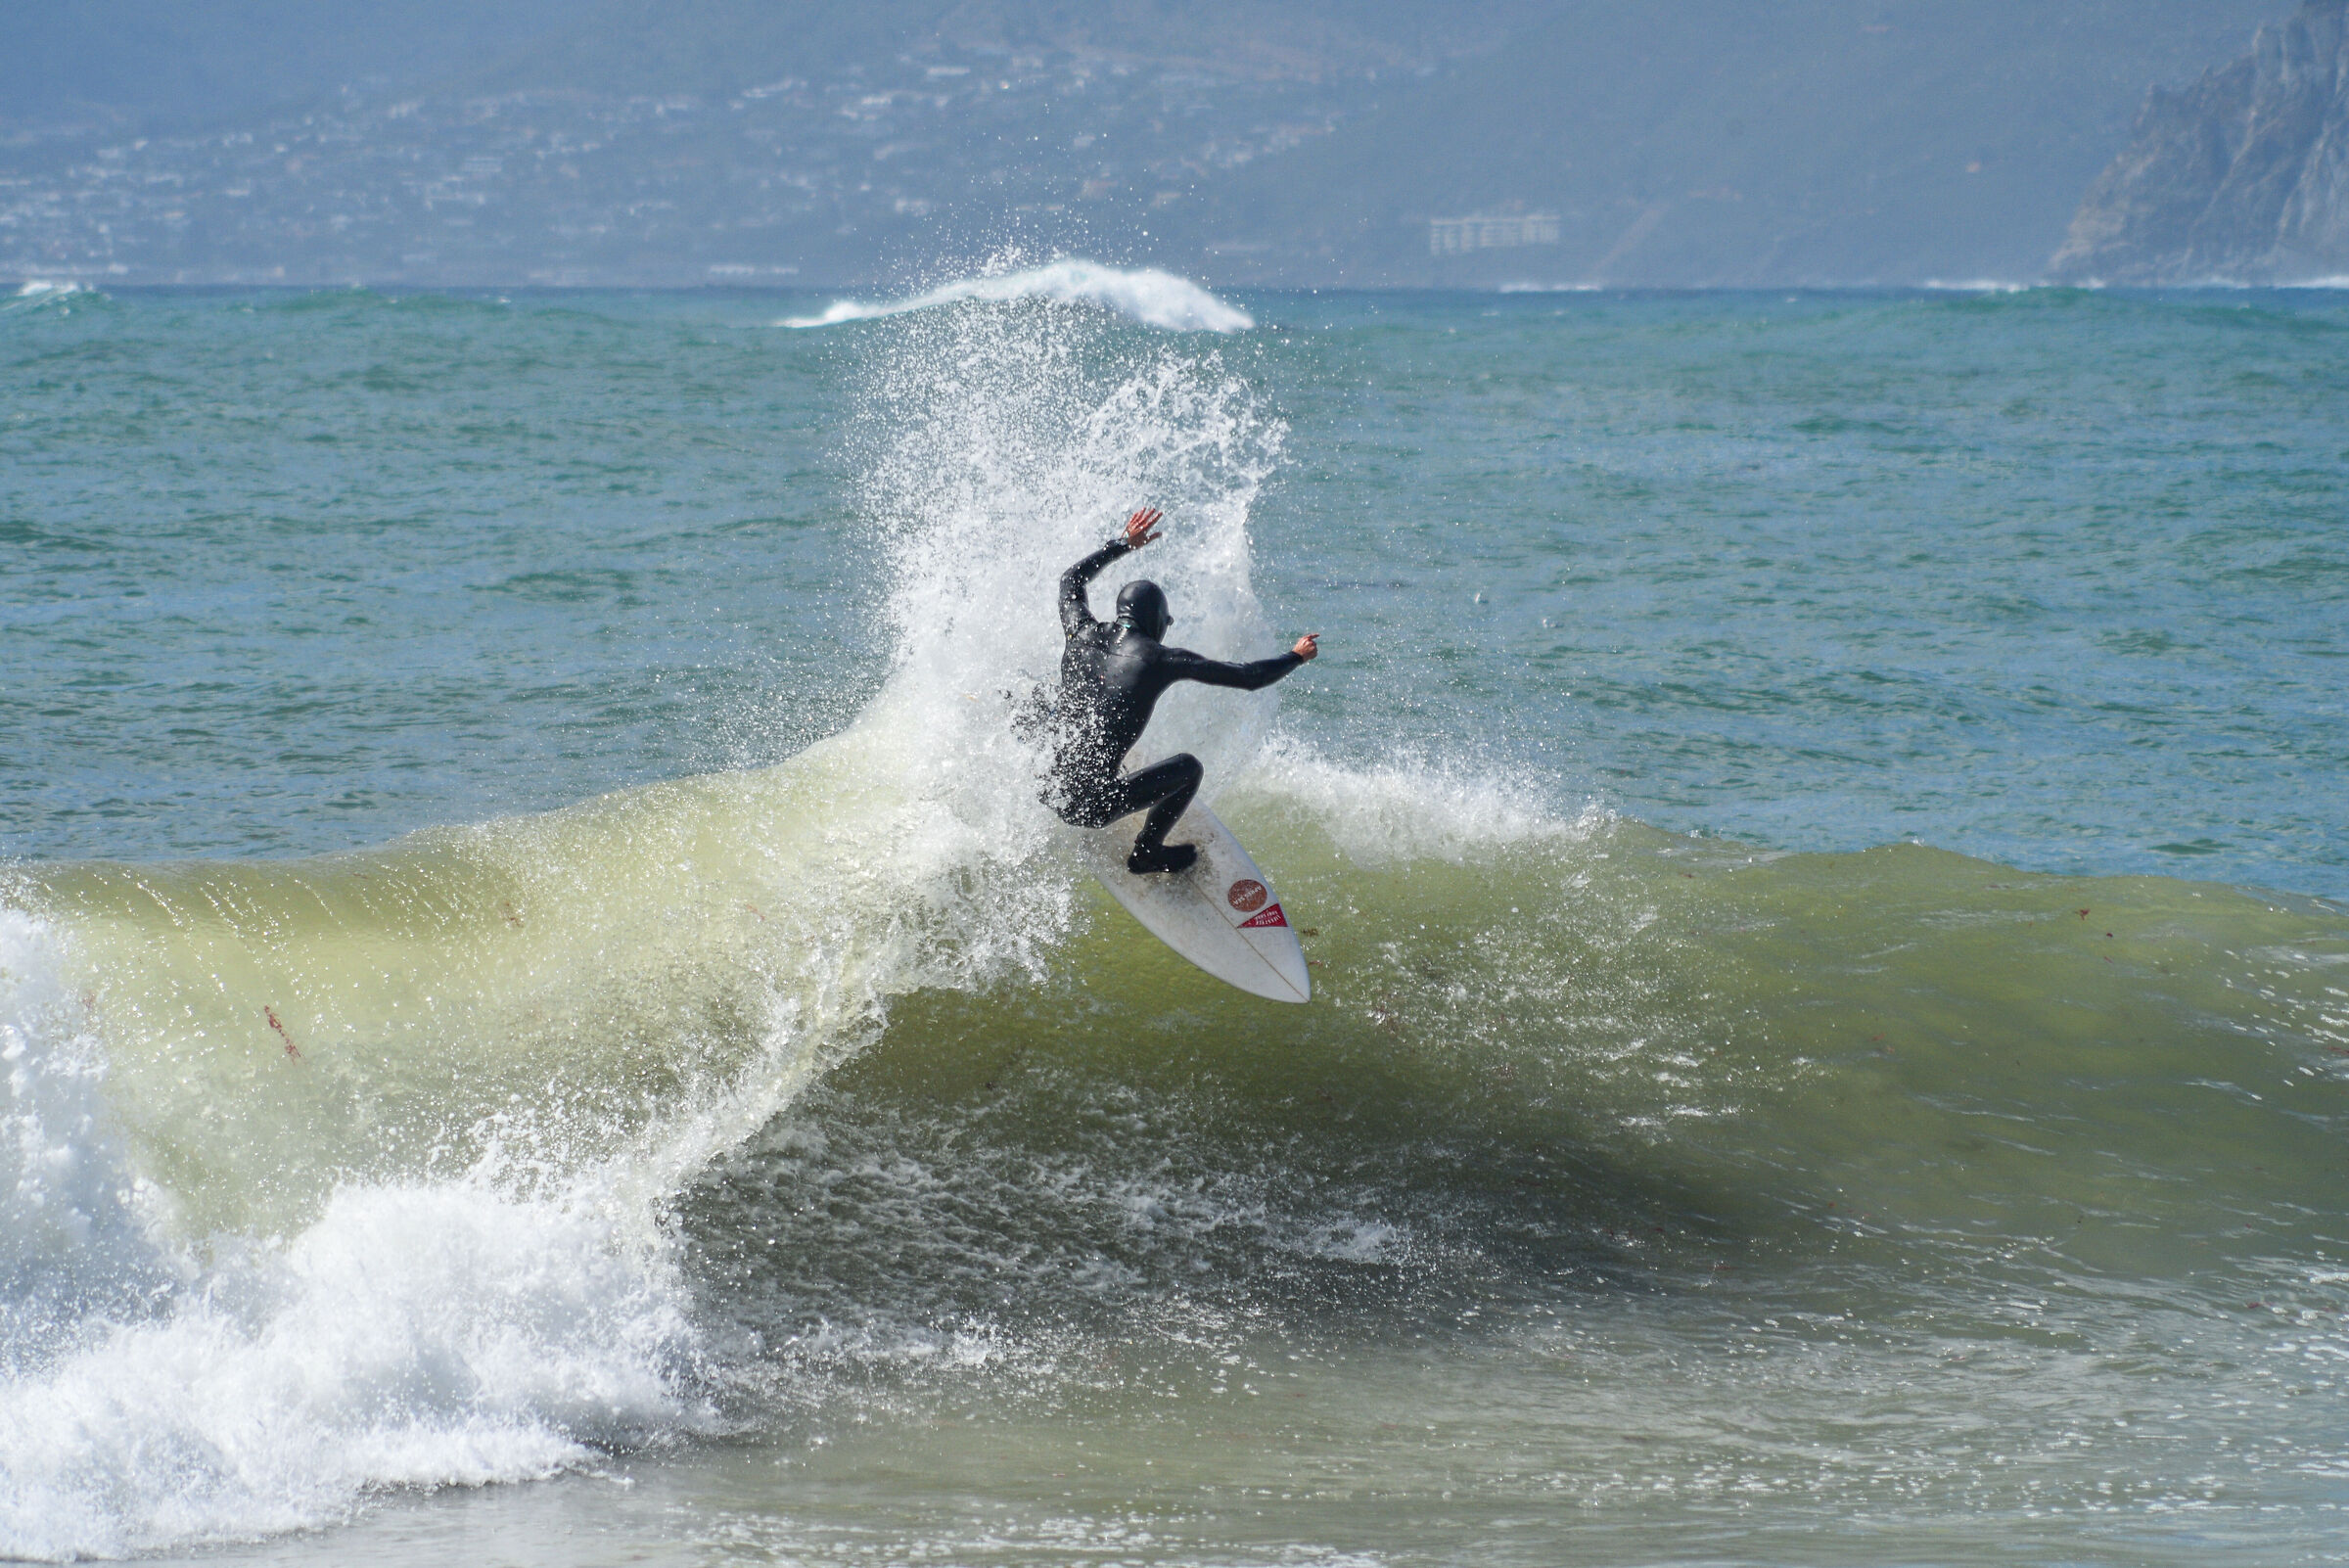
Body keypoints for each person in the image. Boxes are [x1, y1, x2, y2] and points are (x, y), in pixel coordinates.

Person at [1046, 506, 1319, 874]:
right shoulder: (1160, 659)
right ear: (1157, 621)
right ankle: (1147, 853)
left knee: (1045, 699)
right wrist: (1296, 656)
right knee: (1189, 769)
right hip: (1087, 806)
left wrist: (1123, 544)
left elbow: (1070, 580)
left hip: (1046, 784)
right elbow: (1249, 677)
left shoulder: (1080, 631)